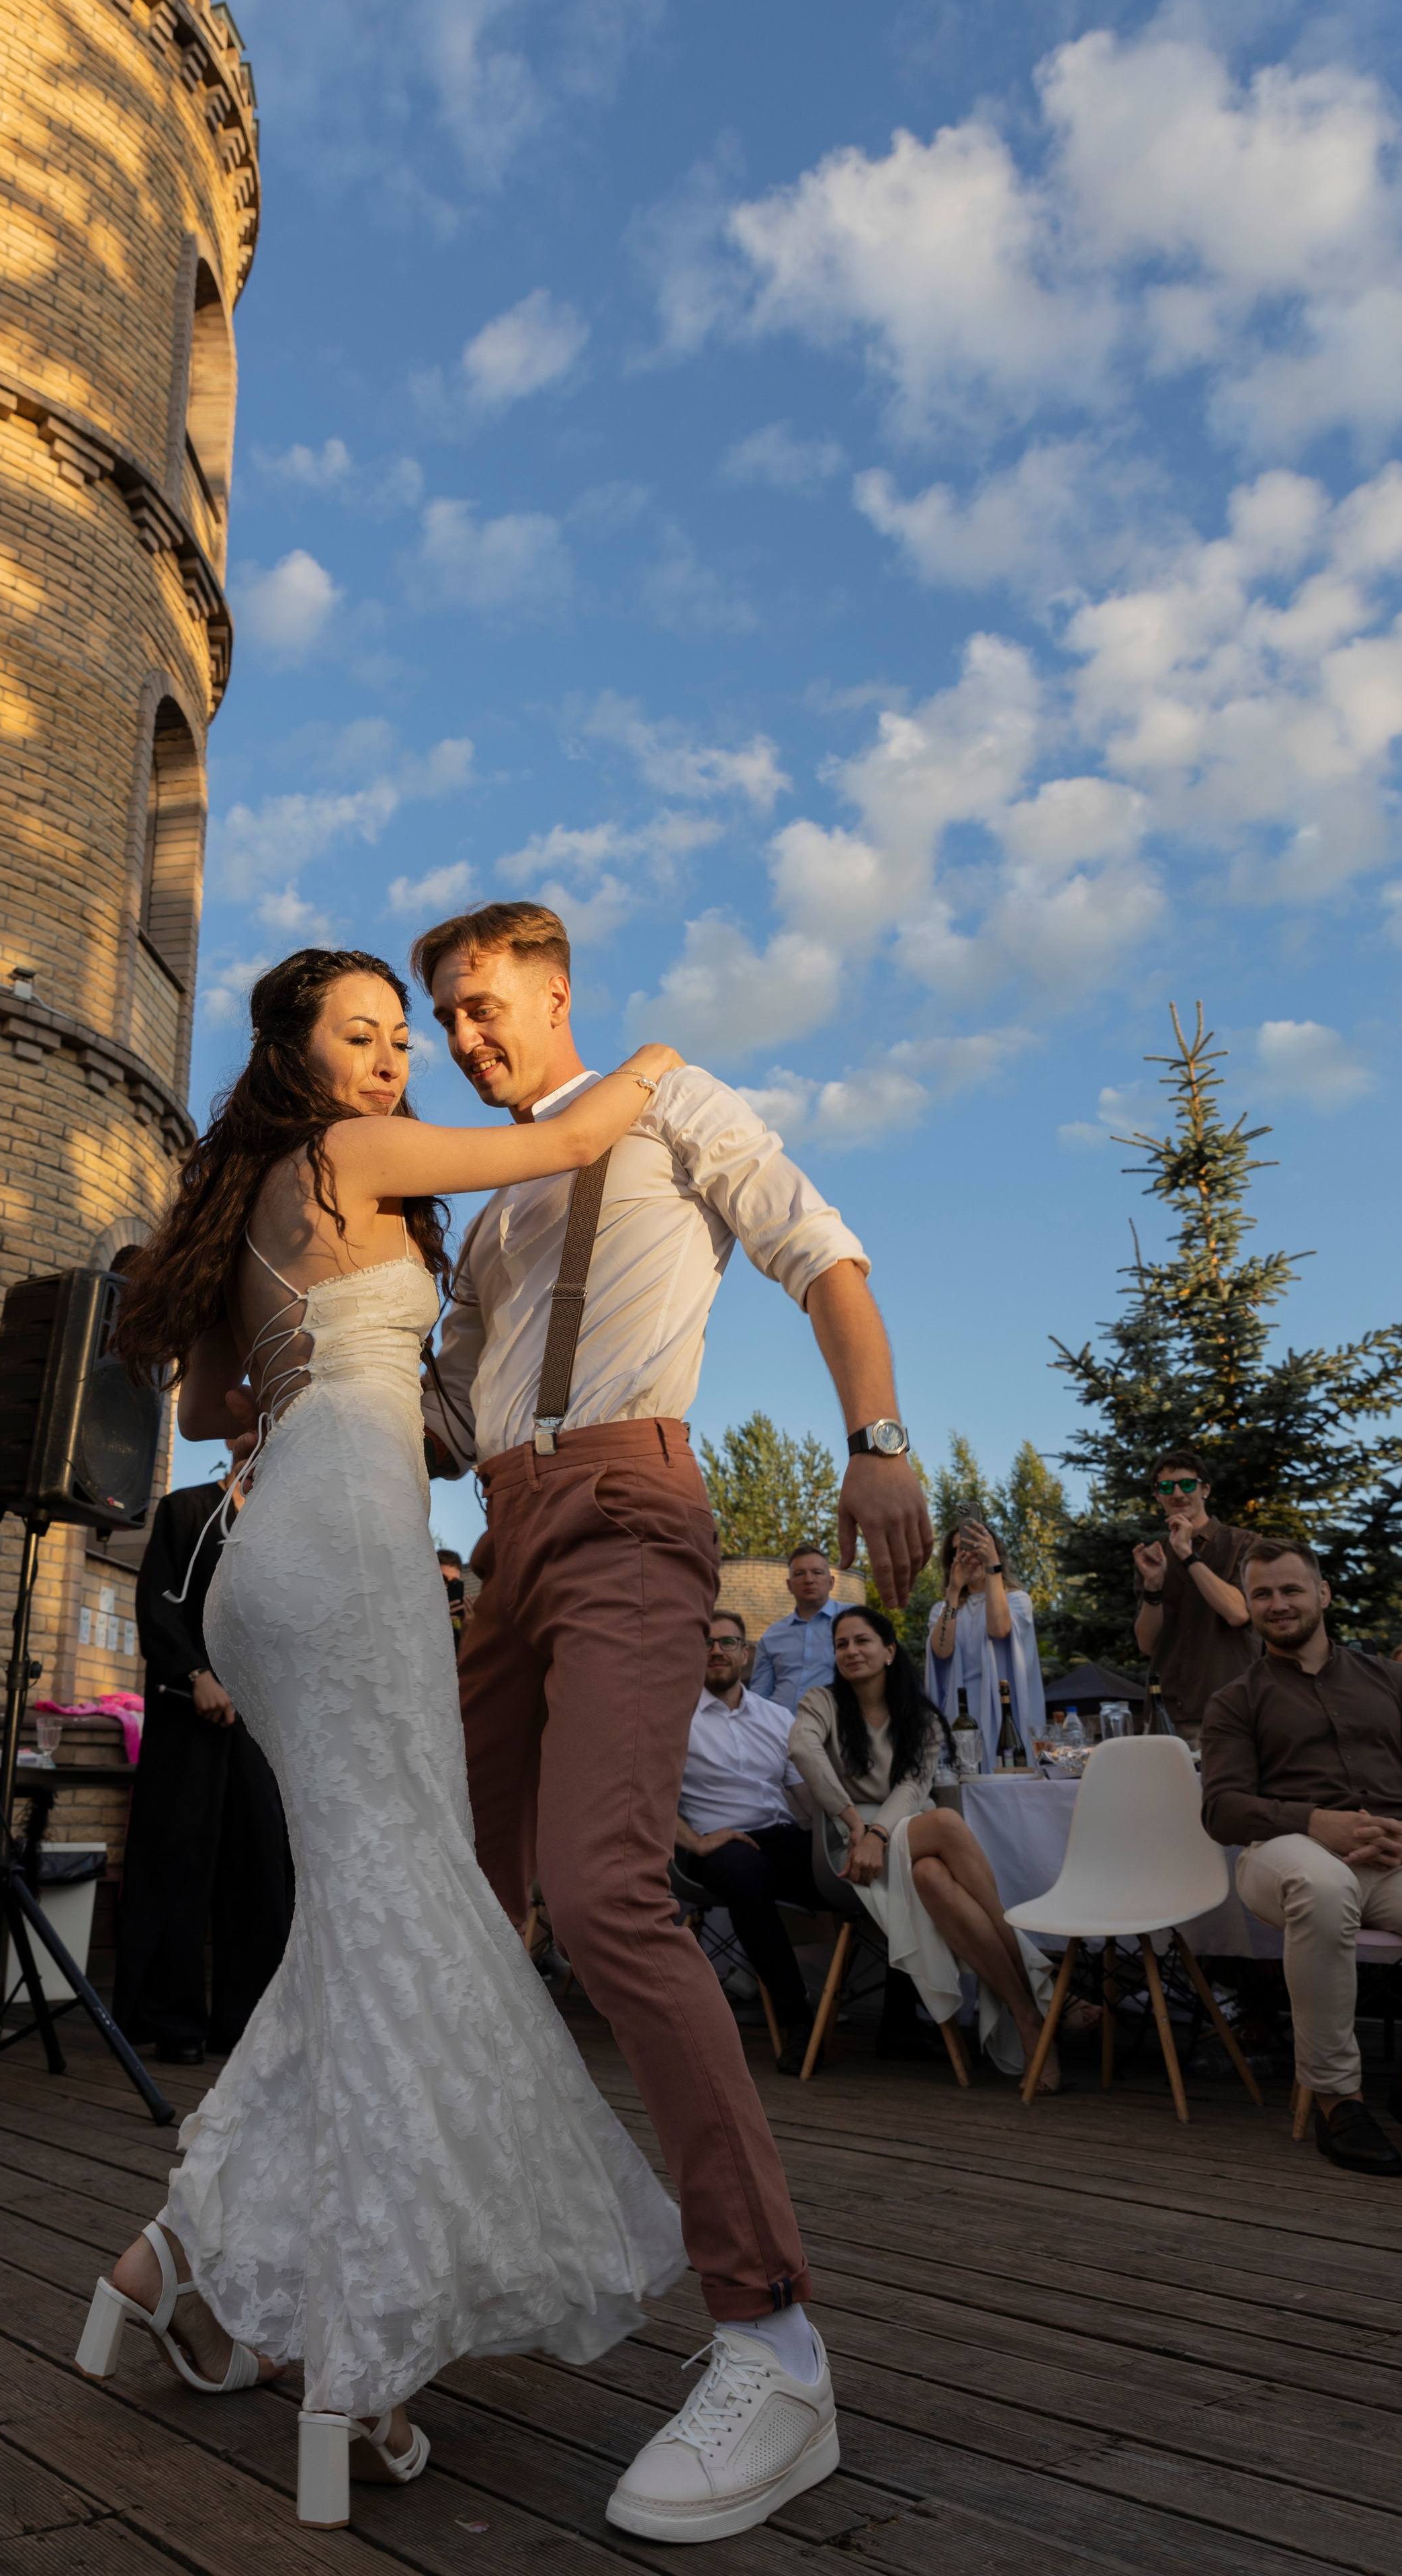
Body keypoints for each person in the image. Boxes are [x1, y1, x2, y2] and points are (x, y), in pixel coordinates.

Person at [73, 948, 688, 2517]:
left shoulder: (242, 1205)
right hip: (344, 1549)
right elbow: (561, 1139)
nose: (390, 1056)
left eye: (398, 1036)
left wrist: (360, 1364)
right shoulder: (348, 1155)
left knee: (363, 1912)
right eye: (359, 1031)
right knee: (402, 1907)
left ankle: (171, 2256)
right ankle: (346, 2365)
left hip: (263, 1562)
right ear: (293, 1051)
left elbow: (215, 1406)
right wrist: (658, 1063)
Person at [417, 899, 931, 2541]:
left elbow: (816, 1246)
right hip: (501, 1547)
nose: (465, 1036)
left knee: (600, 1888)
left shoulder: (666, 1098)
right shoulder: (491, 1215)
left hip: (632, 1513)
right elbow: (439, 1414)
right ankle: (379, 2256)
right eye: (445, 1018)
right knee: (428, 1893)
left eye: (484, 1003)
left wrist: (876, 1431)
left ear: (553, 988)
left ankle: (772, 2339)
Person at [1200, 1537, 1402, 2177]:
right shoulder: (1235, 1700)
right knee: (1321, 1885)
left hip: (1390, 1857)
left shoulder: (1392, 1682)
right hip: (1282, 1854)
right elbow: (1223, 1810)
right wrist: (1317, 1823)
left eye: (1291, 1589)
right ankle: (1339, 2100)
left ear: (1323, 1594)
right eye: (1262, 1594)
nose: (1277, 1604)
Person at [790, 1607, 1059, 2086]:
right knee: (949, 1824)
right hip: (848, 1846)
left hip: (896, 1833)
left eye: (863, 1641)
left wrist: (879, 1833)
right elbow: (803, 1752)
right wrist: (856, 1824)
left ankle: (1027, 2016)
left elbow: (912, 1788)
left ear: (890, 1651)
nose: (851, 1651)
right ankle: (1038, 1986)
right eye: (842, 1644)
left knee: (932, 1875)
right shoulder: (822, 1702)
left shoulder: (924, 1719)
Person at [114, 1474, 294, 2067]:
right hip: (189, 1713)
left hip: (260, 1722)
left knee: (260, 1864)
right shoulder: (188, 1509)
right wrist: (196, 1675)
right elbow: (157, 1603)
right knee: (178, 1859)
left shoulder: (289, 1522)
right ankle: (175, 2021)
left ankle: (246, 2022)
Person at [672, 1611, 861, 2077]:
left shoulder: (778, 1718)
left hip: (780, 1837)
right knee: (745, 1873)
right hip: (715, 1847)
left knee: (870, 1874)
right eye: (707, 1644)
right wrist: (695, 1842)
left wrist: (851, 1838)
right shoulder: (673, 1719)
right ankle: (798, 2019)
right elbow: (642, 1797)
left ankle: (903, 2021)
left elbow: (805, 1793)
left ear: (746, 1654)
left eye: (727, 1642)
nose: (717, 1651)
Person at [1133, 1451, 1258, 1736]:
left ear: (1205, 1490)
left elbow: (1238, 1613)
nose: (1177, 1493)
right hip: (1165, 1714)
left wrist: (1187, 1555)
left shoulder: (1244, 1544)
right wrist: (1153, 1587)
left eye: (1187, 1484)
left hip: (1230, 1712)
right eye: (1166, 1487)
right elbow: (1148, 1644)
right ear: (1158, 1496)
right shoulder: (1153, 1556)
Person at [923, 1520, 1045, 1771]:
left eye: (976, 1546)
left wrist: (992, 1567)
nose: (970, 1556)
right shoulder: (944, 1609)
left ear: (993, 1550)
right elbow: (941, 1650)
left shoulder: (1018, 1601)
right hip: (960, 1715)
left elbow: (999, 1629)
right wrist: (954, 1591)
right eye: (961, 1550)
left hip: (1005, 1714)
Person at [752, 1545, 846, 1711]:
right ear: (789, 1585)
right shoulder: (772, 1635)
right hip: (778, 1730)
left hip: (835, 1728)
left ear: (831, 1582)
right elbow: (759, 1696)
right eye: (799, 1574)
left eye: (817, 1572)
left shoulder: (853, 1620)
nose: (809, 1580)